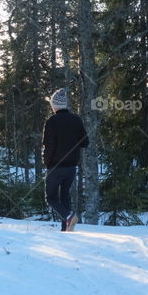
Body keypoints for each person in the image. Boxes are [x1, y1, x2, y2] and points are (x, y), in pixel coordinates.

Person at [42, 88, 89, 231]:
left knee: (50, 198)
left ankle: (68, 217)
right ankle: (66, 228)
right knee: (65, 196)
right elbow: (85, 142)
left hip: (56, 167)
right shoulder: (76, 120)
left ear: (54, 105)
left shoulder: (52, 121)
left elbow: (48, 146)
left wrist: (47, 163)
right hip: (71, 168)